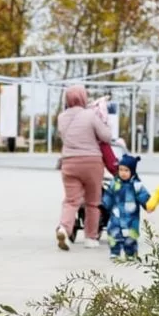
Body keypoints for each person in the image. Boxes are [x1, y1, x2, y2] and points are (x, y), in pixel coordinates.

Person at [55, 85, 112, 251]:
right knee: (93, 202)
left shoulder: (62, 117)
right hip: (91, 162)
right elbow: (106, 136)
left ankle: (64, 229)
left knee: (71, 201)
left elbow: (65, 136)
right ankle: (90, 238)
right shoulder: (91, 115)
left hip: (69, 162)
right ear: (83, 97)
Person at [101, 154, 151, 261]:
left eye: (126, 170)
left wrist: (148, 205)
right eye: (121, 170)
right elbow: (109, 194)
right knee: (113, 233)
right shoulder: (115, 183)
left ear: (132, 171)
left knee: (130, 236)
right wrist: (105, 204)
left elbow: (144, 196)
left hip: (131, 217)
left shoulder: (136, 185)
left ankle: (131, 253)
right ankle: (115, 252)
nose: (123, 173)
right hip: (116, 215)